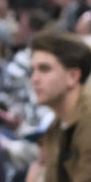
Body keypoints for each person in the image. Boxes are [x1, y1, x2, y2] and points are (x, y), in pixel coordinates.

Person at [29, 30, 91, 182]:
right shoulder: (55, 127)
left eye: (44, 69)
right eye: (33, 70)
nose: (34, 79)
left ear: (73, 76)